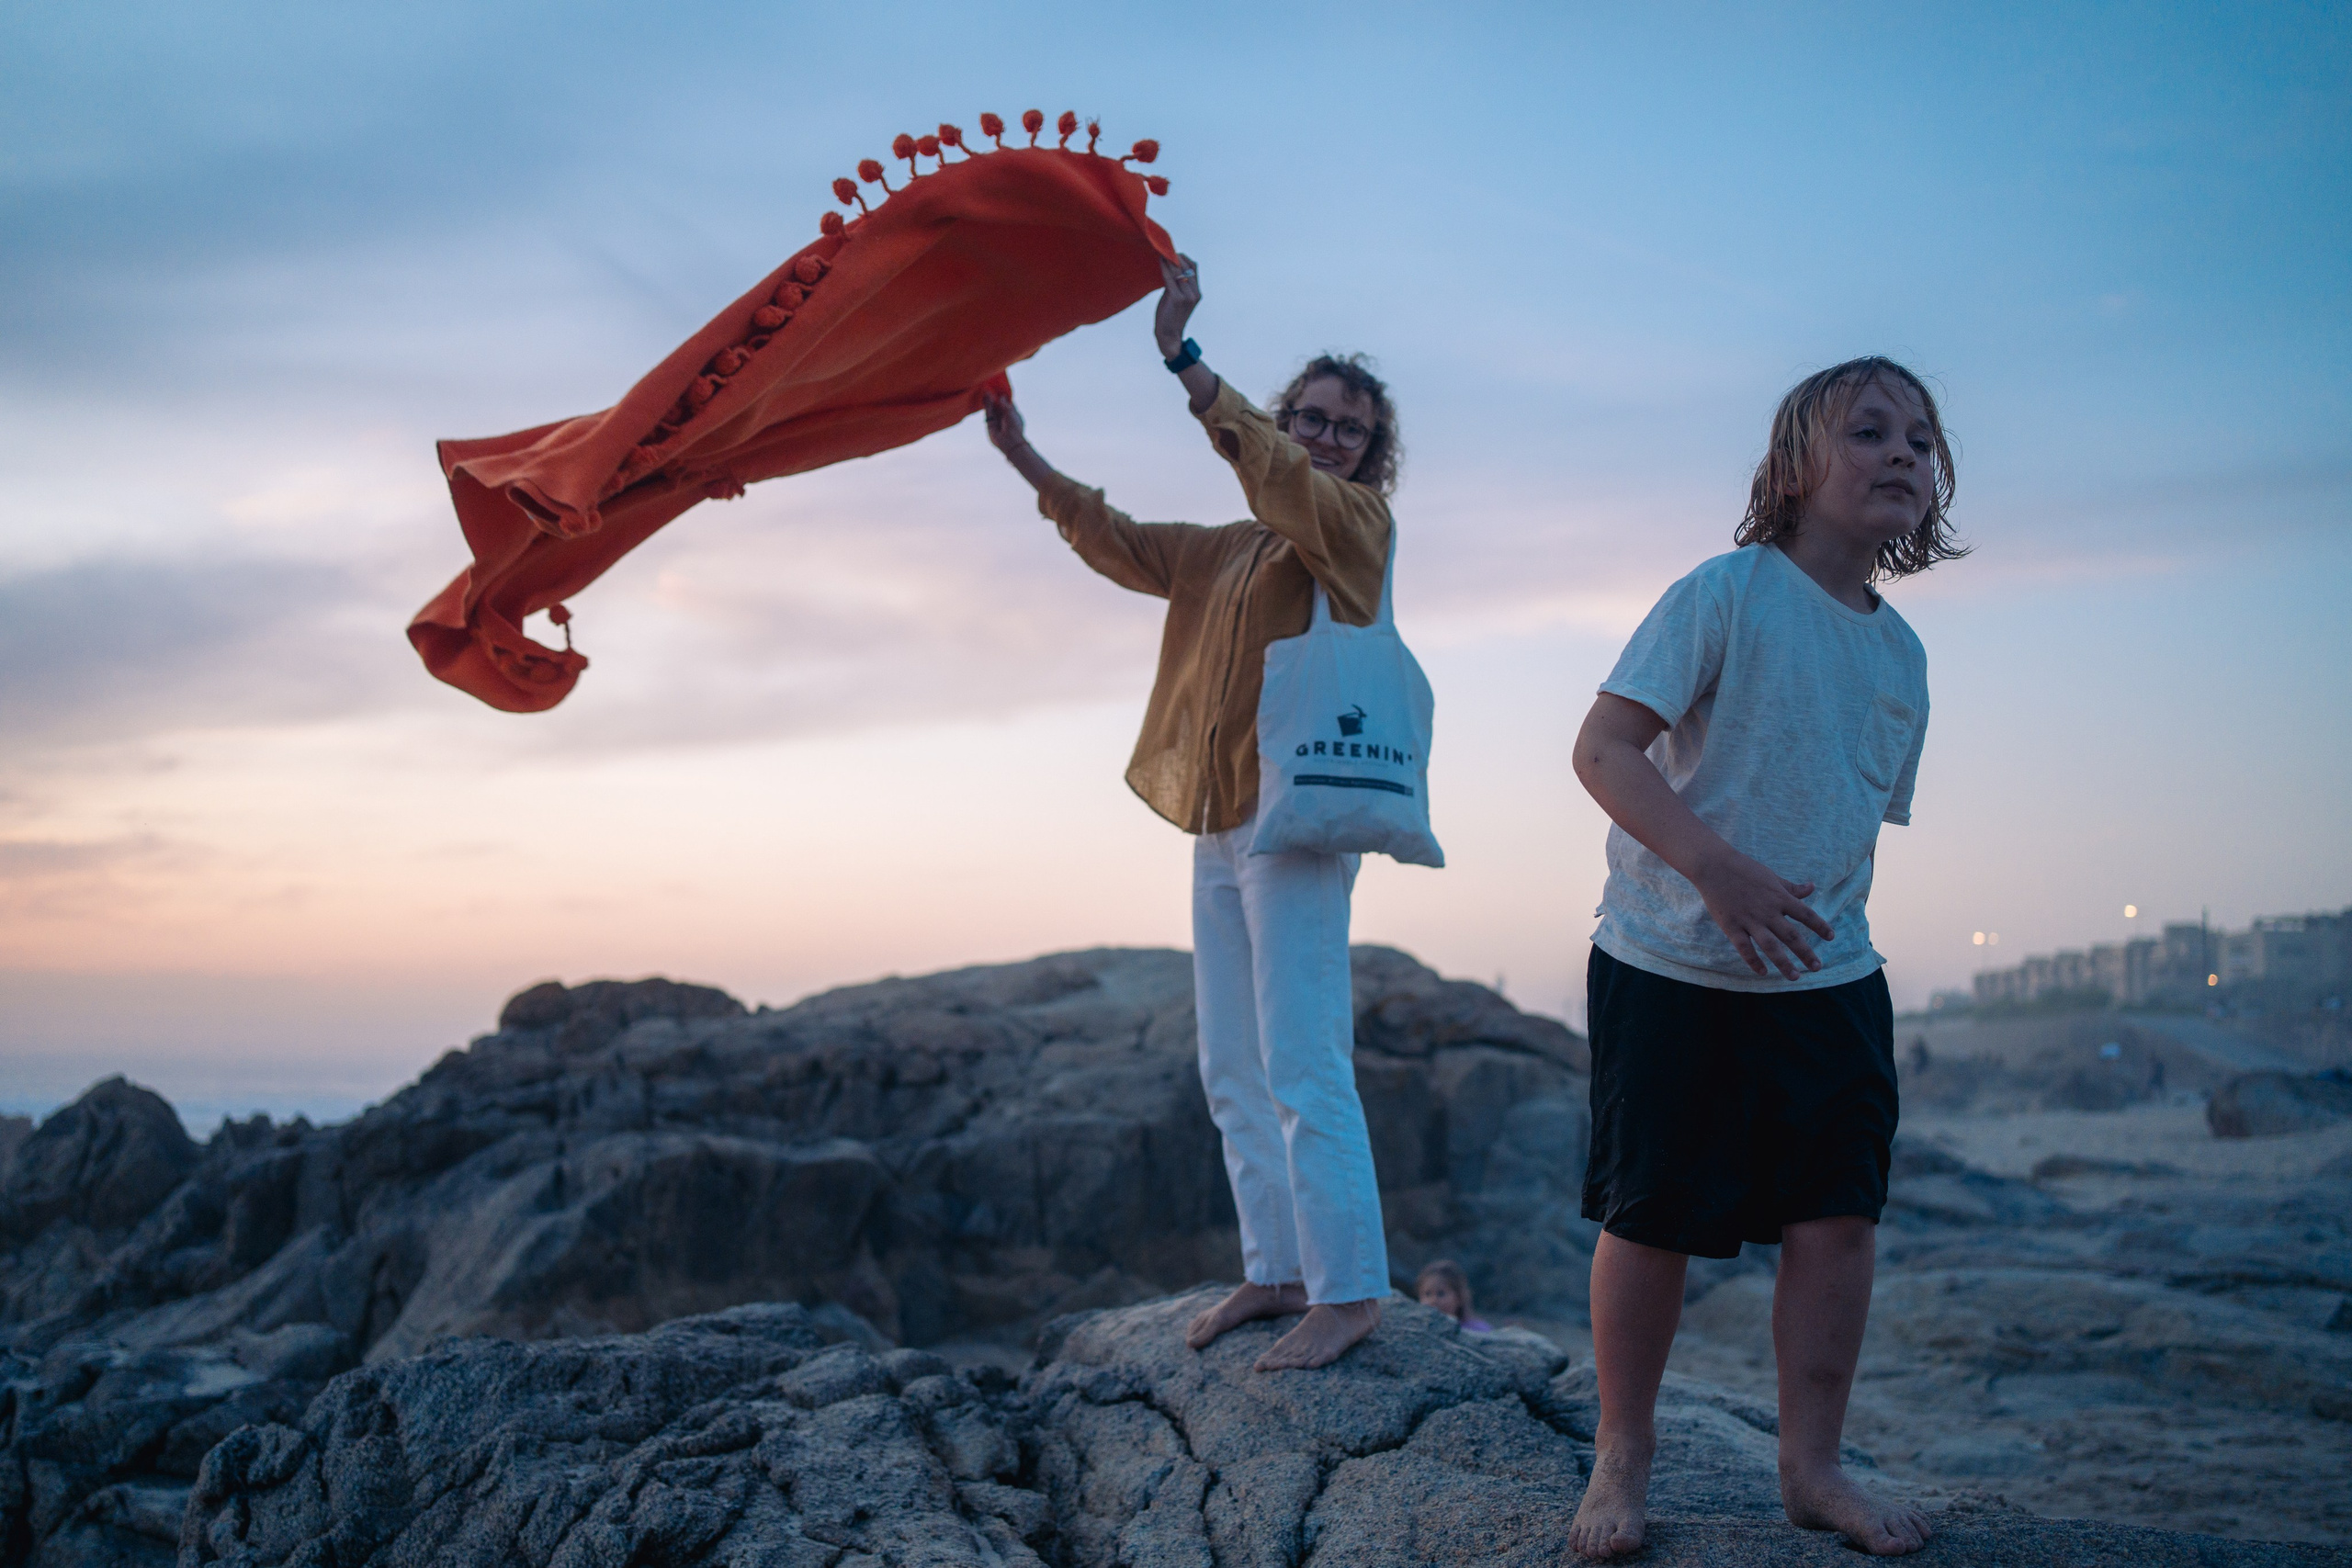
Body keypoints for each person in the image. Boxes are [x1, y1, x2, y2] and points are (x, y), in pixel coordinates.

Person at [1565, 357, 1963, 1559]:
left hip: (1830, 975)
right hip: (1669, 958)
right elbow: (1603, 749)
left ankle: (1813, 1465)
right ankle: (1622, 1454)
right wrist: (1715, 867)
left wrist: (1792, 906)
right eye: (1872, 431)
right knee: (1652, 1213)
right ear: (1795, 467)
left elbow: (1842, 817)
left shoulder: (1903, 658)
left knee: (1837, 1220)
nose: (1905, 452)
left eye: (1924, 439)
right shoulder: (1726, 592)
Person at [983, 254, 1403, 1372]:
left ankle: (1349, 1290)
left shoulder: (1353, 529)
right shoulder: (1224, 552)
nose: (1323, 436)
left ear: (1368, 454)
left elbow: (1282, 483)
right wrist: (1024, 453)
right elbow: (1119, 541)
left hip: (1298, 824)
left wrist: (1183, 358)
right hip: (1218, 822)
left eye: (1346, 428)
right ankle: (1272, 1270)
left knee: (1305, 1061)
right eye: (1308, 418)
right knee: (1230, 1064)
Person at [1414, 1259, 1493, 1332]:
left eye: (1441, 1293)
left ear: (1459, 1297)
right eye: (1427, 1294)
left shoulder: (1477, 1330)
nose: (1433, 1300)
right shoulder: (1416, 1329)